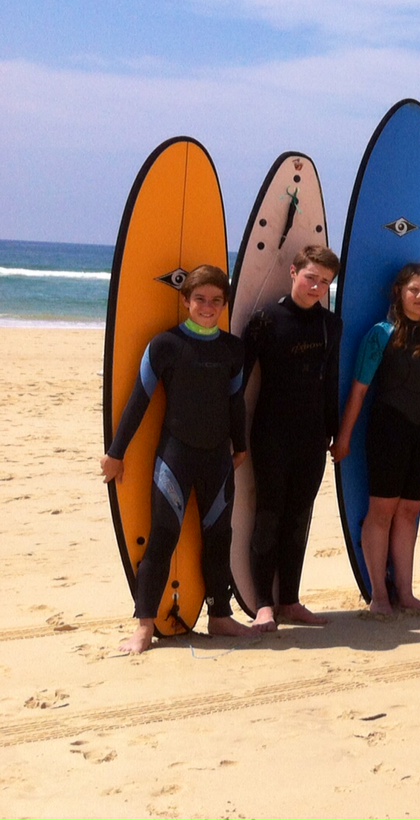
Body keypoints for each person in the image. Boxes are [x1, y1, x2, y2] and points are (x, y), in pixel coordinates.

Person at [100, 265, 258, 654]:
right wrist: (115, 454)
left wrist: (240, 446)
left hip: (218, 456)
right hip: (175, 455)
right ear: (185, 300)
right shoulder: (165, 346)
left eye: (216, 301)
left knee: (220, 537)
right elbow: (139, 401)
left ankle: (220, 616)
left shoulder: (233, 349)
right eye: (200, 299)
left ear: (224, 304)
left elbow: (235, 402)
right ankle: (144, 625)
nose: (208, 306)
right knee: (164, 538)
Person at [333, 264, 420, 615]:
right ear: (399, 292)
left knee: (410, 512)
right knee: (381, 512)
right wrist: (345, 437)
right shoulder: (380, 334)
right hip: (388, 430)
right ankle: (379, 594)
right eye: (414, 290)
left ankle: (406, 591)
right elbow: (359, 388)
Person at [241, 244, 342, 630]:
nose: (316, 287)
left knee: (300, 518)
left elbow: (330, 381)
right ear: (294, 272)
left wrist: (334, 434)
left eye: (325, 282)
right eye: (311, 277)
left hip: (313, 437)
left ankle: (291, 600)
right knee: (268, 516)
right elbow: (240, 380)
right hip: (271, 434)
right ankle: (264, 604)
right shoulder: (266, 320)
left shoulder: (330, 325)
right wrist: (235, 436)